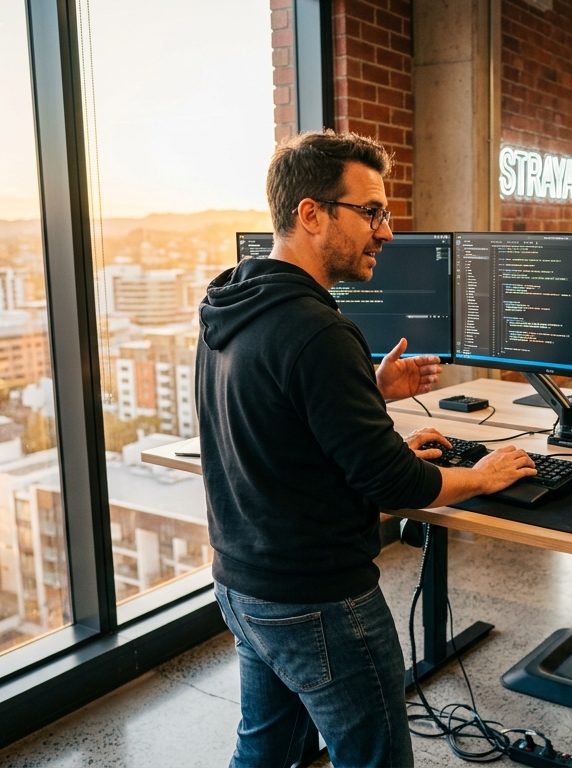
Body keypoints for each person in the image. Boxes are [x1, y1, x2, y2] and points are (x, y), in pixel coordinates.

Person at [195, 130, 538, 767]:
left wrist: (368, 394)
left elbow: (275, 424)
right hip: (318, 598)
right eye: (372, 212)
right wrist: (485, 475)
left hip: (243, 584)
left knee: (265, 754)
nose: (386, 232)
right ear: (310, 214)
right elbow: (397, 486)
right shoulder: (318, 330)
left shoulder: (232, 303)